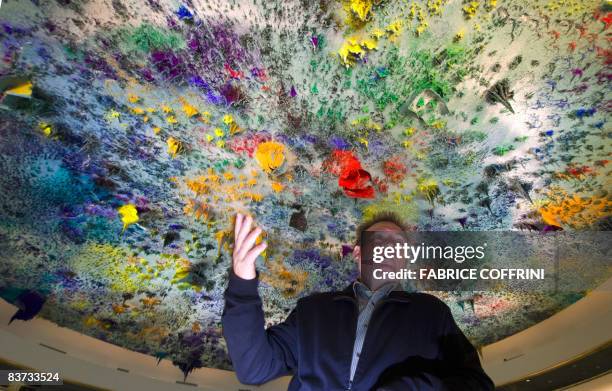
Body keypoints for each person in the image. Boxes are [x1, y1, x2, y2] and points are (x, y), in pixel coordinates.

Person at [222, 211, 495, 391]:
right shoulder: (312, 311)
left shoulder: (432, 313)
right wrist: (242, 285)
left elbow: (477, 384)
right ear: (357, 253)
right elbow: (254, 368)